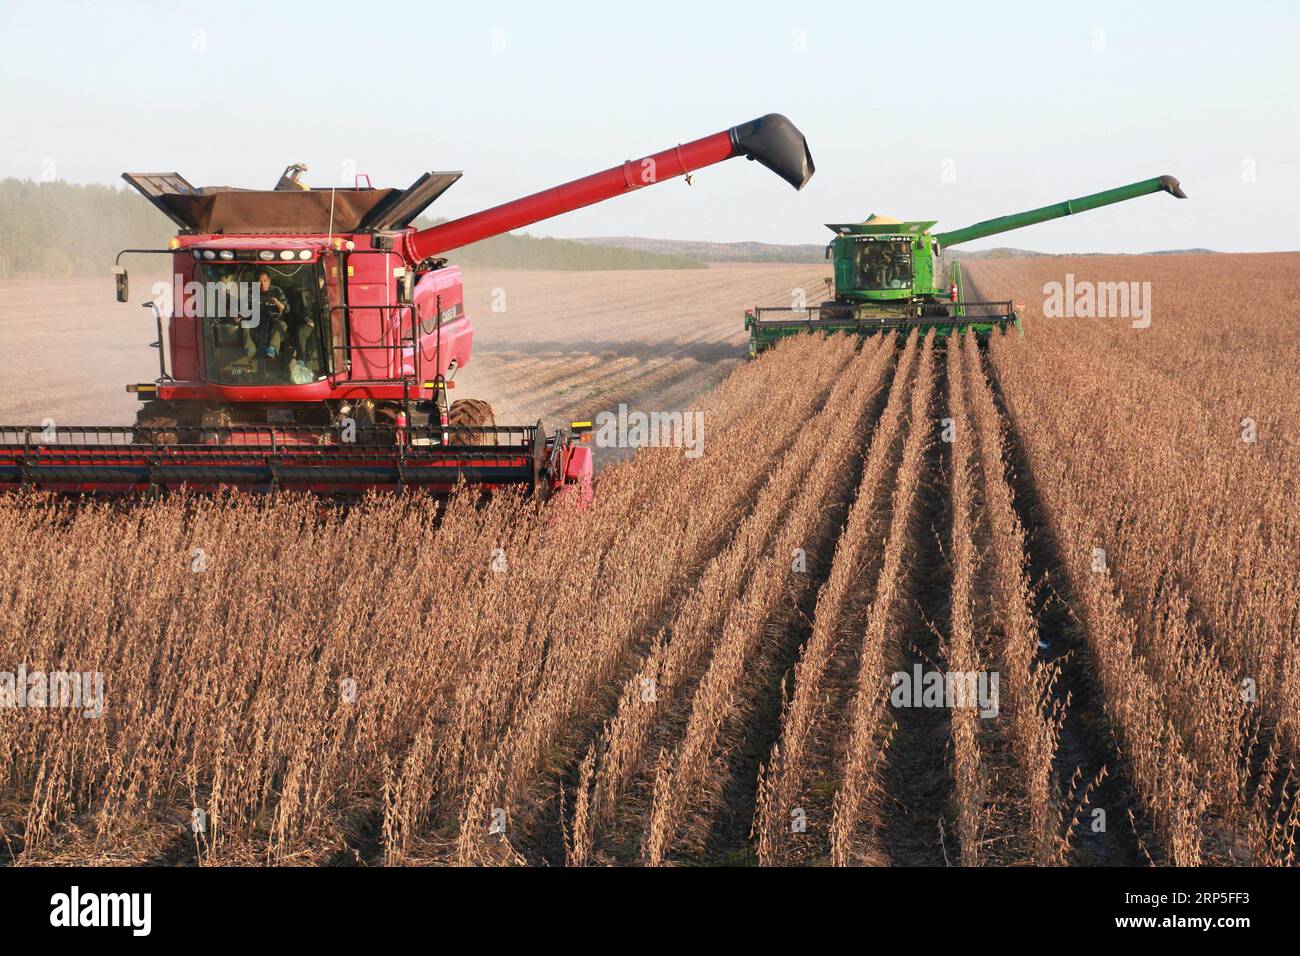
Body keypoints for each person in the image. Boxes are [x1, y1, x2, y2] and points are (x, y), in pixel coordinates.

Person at [253, 271, 290, 358]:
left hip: (273, 322)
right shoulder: (252, 292)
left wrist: (277, 303)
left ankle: (272, 349)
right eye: (260, 281)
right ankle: (250, 350)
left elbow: (287, 309)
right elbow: (245, 309)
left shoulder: (276, 291)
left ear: (269, 281)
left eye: (265, 281)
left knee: (282, 324)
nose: (262, 284)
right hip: (257, 323)